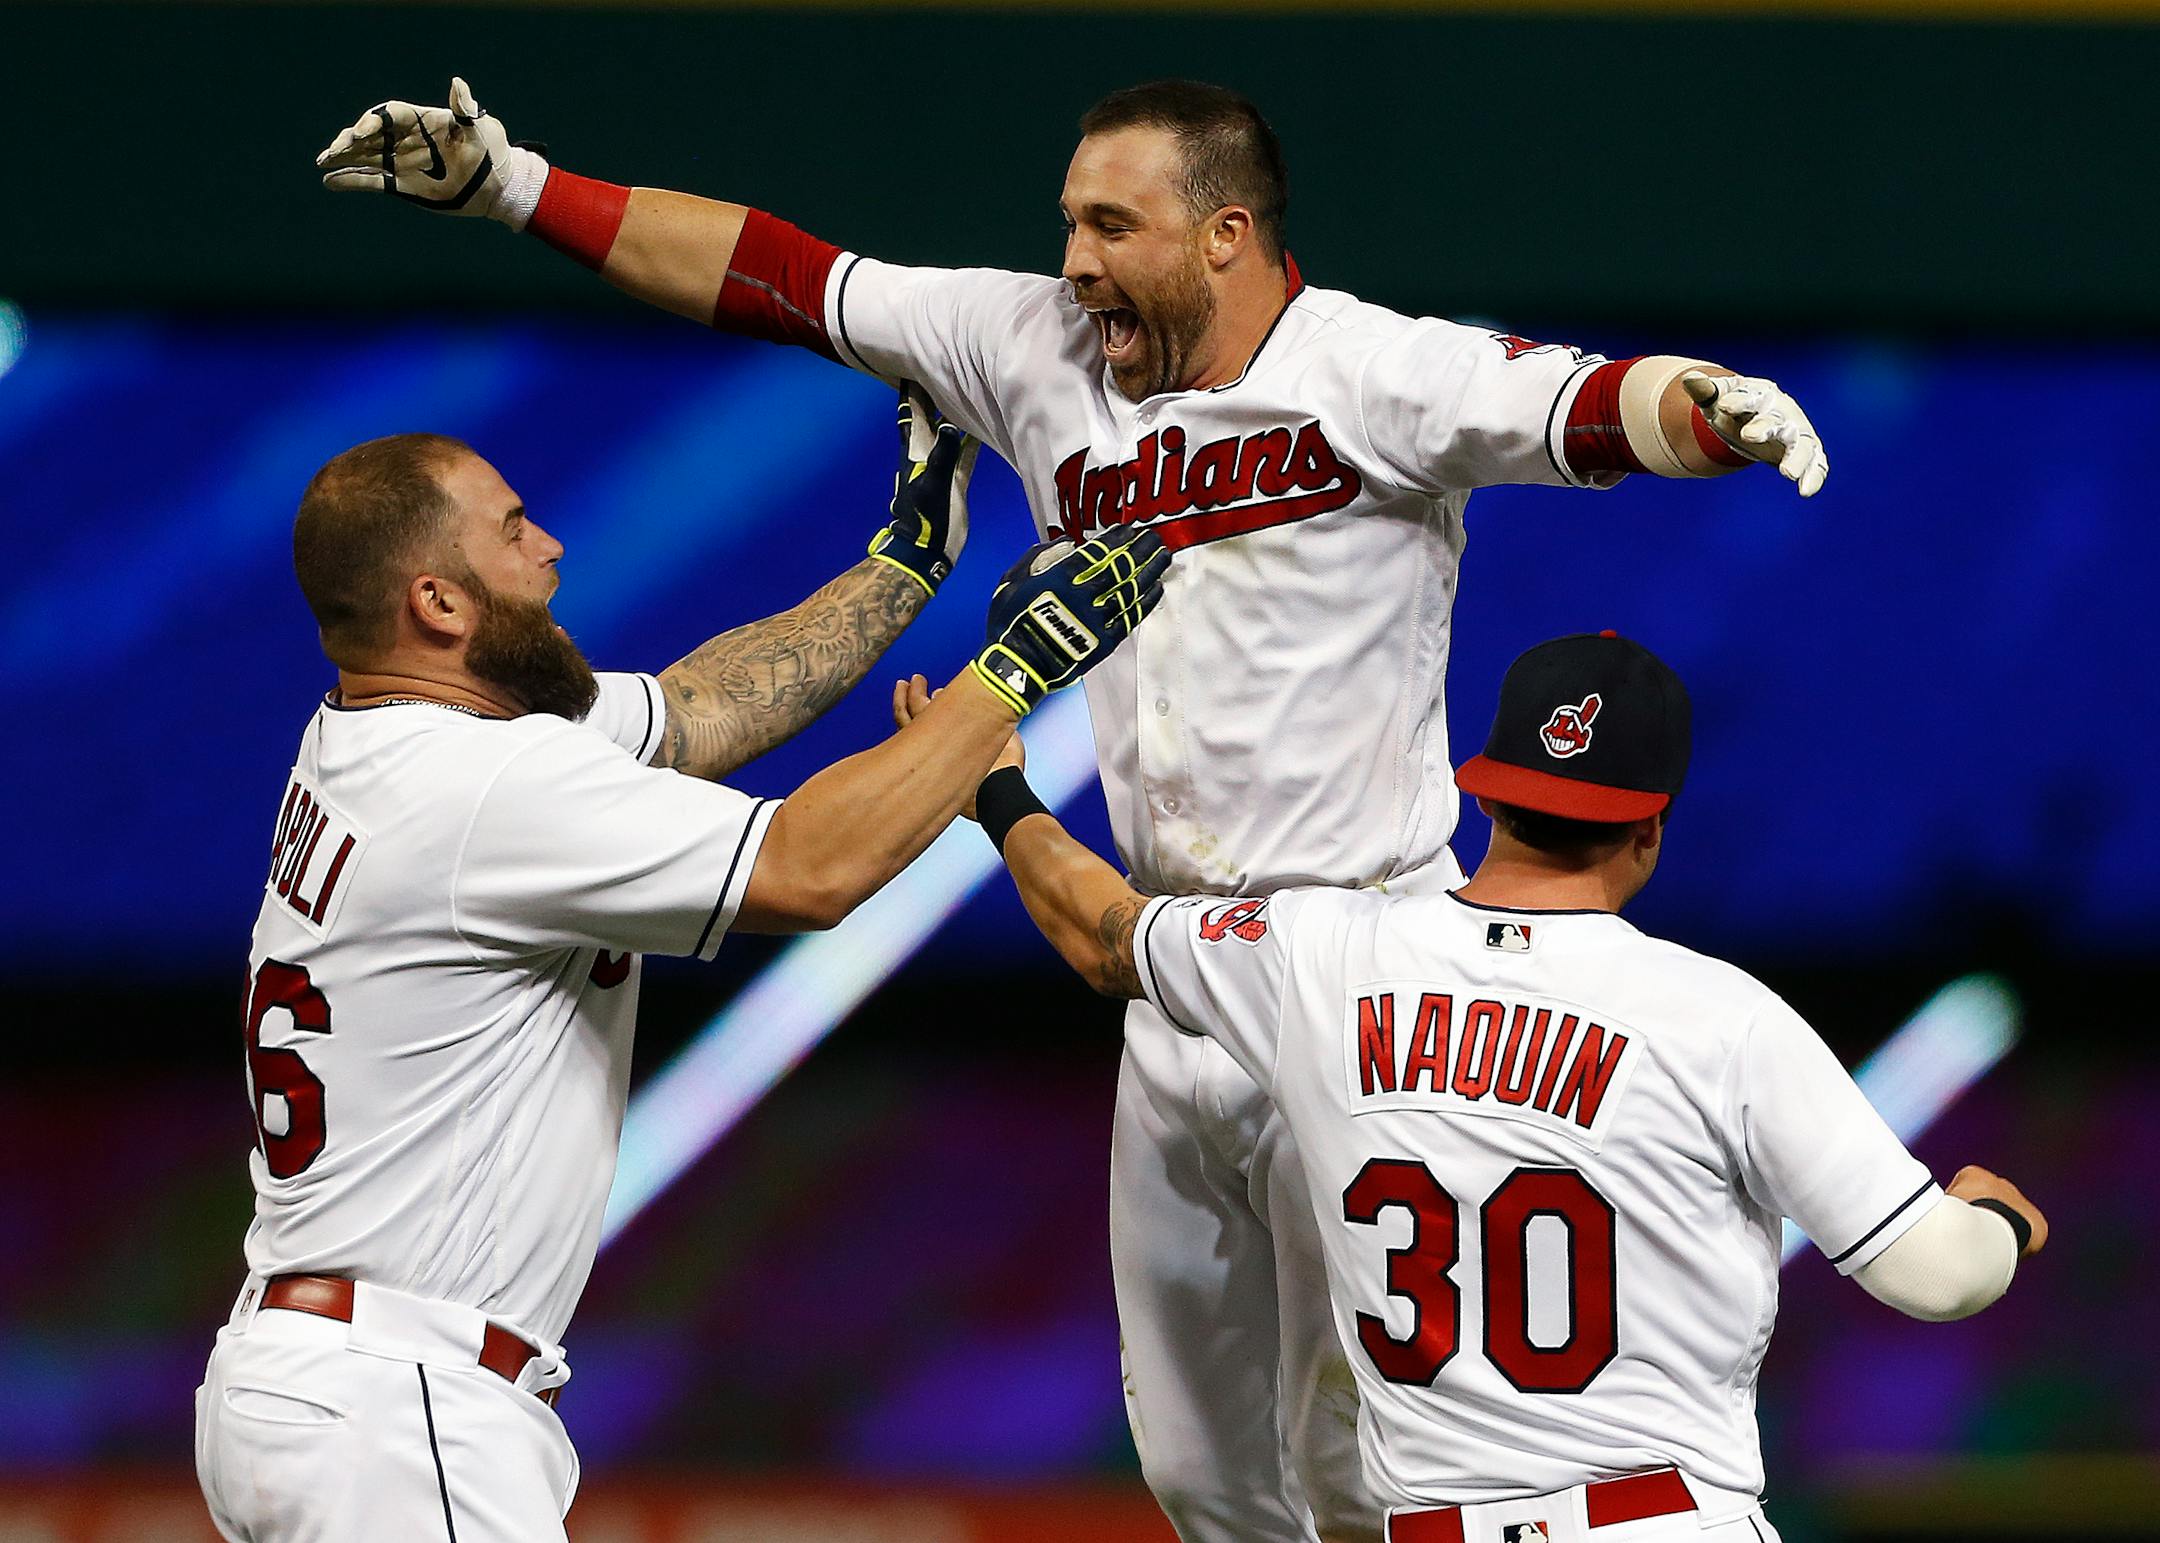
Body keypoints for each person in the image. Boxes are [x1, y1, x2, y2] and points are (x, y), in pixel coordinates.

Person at [316, 76, 1833, 1543]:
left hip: (1363, 966)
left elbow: (1582, 403)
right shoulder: (1032, 342)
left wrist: (1708, 409)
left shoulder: (1377, 369)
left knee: (1377, 1457)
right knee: (1200, 1471)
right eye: (1069, 222)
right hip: (1168, 967)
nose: (1076, 262)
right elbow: (777, 275)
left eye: (1115, 226)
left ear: (1227, 234)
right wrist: (520, 190)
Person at [193, 402, 1168, 1543]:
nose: (548, 543)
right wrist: (1013, 672)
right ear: (439, 603)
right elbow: (814, 869)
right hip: (396, 1407)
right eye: (511, 530)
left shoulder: (382, 728)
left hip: (321, 1383)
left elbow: (701, 707)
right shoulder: (483, 793)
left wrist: (907, 560)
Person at [968, 629, 2046, 1542]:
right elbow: (1940, 1274)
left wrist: (998, 786)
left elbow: (1102, 931)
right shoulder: (1719, 1017)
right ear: (1649, 827)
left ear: (1485, 791)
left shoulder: (1317, 958)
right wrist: (1997, 1216)